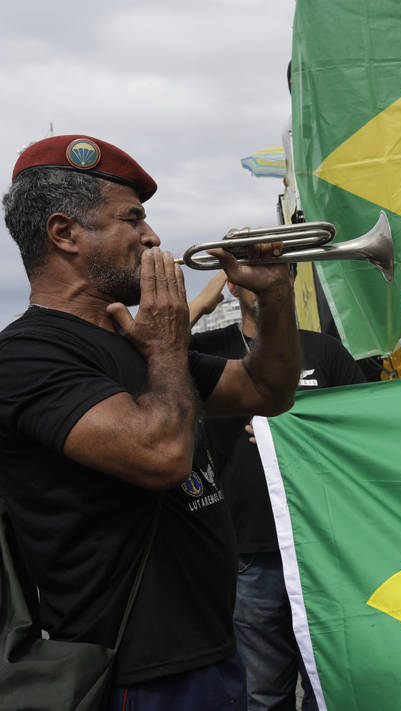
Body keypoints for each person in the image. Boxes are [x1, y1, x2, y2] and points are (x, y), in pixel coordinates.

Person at [0, 135, 302, 708]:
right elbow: (162, 456)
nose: (153, 237)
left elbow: (268, 389)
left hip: (210, 650)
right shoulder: (26, 354)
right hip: (132, 672)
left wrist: (278, 297)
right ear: (63, 234)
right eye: (132, 219)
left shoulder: (136, 345)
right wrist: (166, 346)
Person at [190, 264, 367, 711]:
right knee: (262, 693)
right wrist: (200, 304)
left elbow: (365, 429)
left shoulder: (325, 350)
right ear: (230, 283)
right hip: (250, 555)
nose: (268, 279)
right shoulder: (208, 349)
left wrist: (297, 431)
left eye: (278, 270)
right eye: (250, 272)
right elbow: (139, 356)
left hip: (327, 547)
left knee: (335, 684)